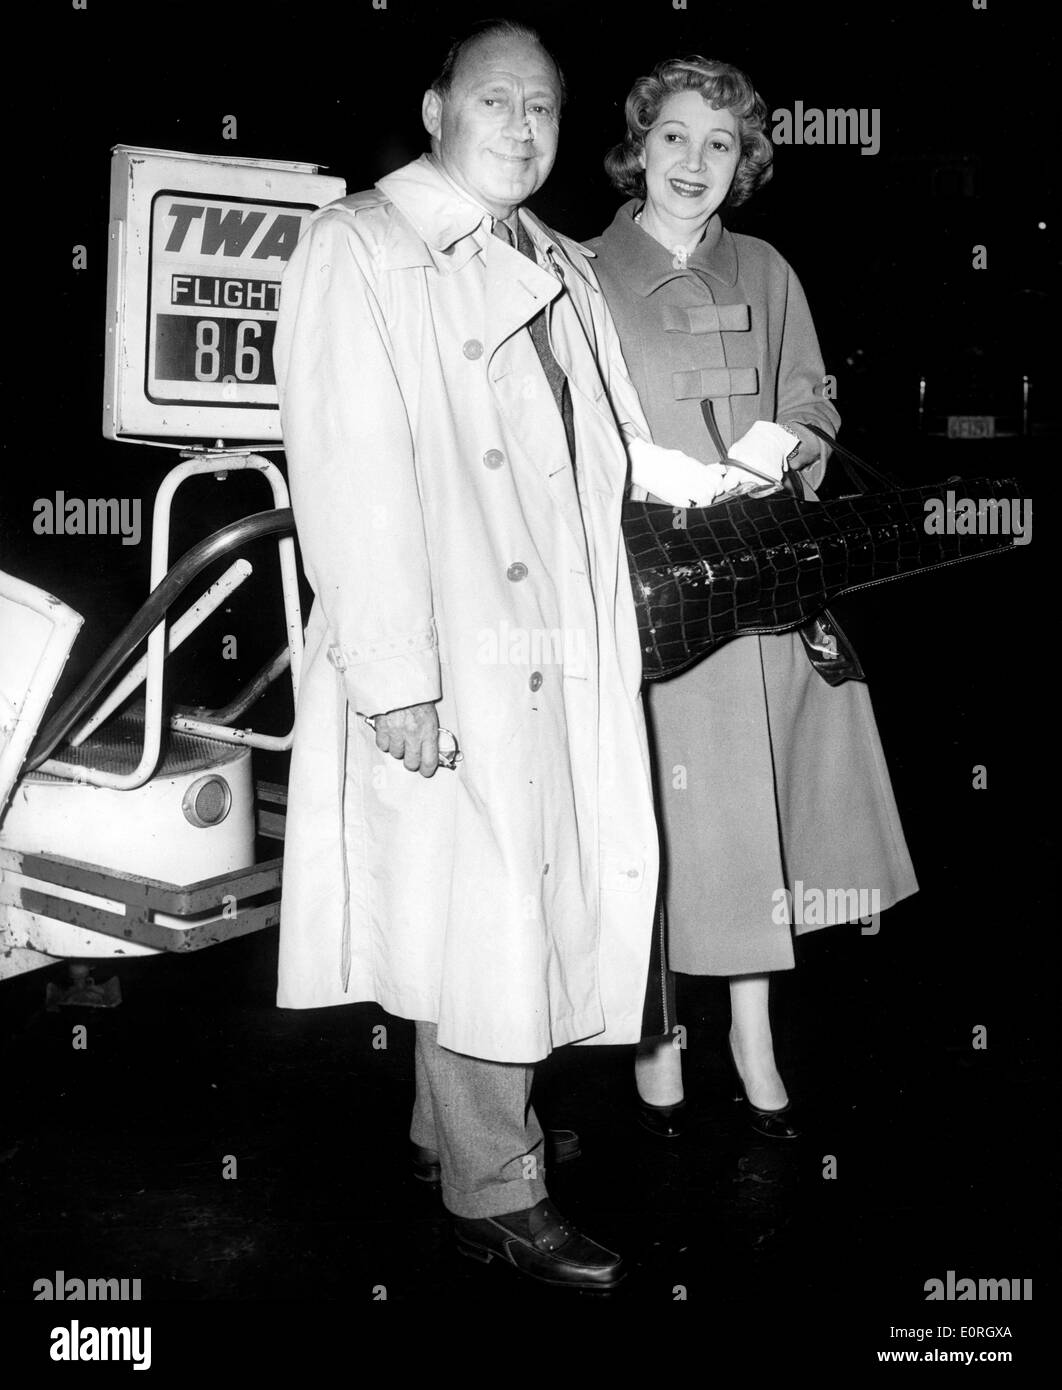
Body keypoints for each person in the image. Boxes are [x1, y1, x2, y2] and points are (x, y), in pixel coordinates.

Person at [272, 22, 706, 1289]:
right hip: (453, 644)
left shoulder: (556, 262)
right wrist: (396, 679)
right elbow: (346, 475)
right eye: (493, 100)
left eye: (543, 108)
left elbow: (606, 453)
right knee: (492, 907)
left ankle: (445, 1130)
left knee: (494, 902)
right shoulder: (364, 246)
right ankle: (494, 1186)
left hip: (552, 641)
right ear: (434, 109)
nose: (521, 127)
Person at [586, 56, 919, 1139]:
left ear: (746, 165)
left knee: (762, 818)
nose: (694, 163)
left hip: (765, 579)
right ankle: (660, 1026)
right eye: (674, 137)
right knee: (669, 825)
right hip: (655, 591)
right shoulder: (578, 271)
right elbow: (561, 420)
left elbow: (814, 398)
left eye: (721, 145)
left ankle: (753, 1029)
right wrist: (638, 470)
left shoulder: (770, 269)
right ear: (639, 147)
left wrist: (780, 450)